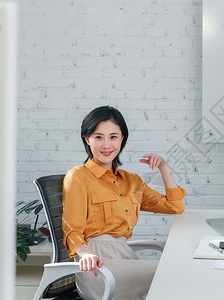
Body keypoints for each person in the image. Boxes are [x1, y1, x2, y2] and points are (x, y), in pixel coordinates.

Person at [62, 105, 186, 299]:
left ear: (122, 139)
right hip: (97, 265)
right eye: (98, 137)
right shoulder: (78, 176)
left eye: (113, 137)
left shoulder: (132, 181)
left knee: (170, 283)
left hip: (124, 256)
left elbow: (175, 207)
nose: (106, 145)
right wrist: (86, 254)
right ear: (87, 139)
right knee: (172, 271)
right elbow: (72, 230)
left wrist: (163, 168)